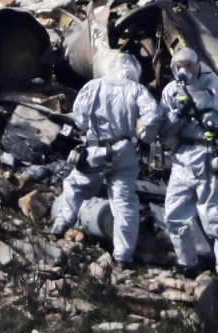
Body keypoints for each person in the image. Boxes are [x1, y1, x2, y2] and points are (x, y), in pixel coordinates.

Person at [47, 54, 162, 271]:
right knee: (124, 202)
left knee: (76, 186)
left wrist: (89, 126)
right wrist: (145, 138)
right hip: (125, 150)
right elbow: (154, 116)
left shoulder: (94, 86)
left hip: (96, 149)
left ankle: (60, 227)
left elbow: (80, 118)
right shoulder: (137, 90)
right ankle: (123, 257)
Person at [160, 48, 218, 278]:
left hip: (209, 158)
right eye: (179, 67)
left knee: (216, 218)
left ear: (197, 65)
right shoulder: (171, 91)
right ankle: (187, 264)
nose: (184, 71)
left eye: (188, 66)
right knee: (174, 215)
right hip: (182, 159)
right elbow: (164, 129)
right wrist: (177, 115)